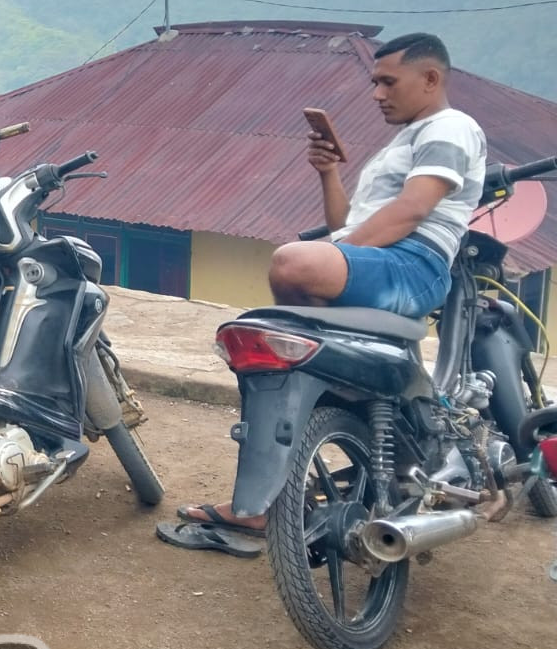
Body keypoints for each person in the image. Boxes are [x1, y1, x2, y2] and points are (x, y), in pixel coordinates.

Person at [161, 32, 486, 555]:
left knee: (294, 260)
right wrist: (329, 172)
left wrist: (331, 256)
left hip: (415, 265)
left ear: (431, 79)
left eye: (388, 82)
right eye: (374, 83)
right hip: (382, 262)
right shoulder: (402, 143)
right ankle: (262, 504)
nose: (377, 94)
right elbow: (345, 228)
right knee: (270, 356)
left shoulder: (451, 127)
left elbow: (411, 212)